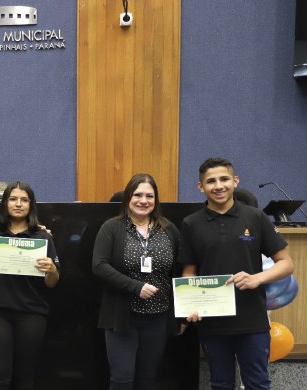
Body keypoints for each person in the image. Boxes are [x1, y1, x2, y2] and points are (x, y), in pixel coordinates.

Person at [179, 158, 294, 390]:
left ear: (235, 181)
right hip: (212, 323)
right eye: (210, 181)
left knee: (258, 384)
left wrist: (256, 279)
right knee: (220, 384)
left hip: (252, 320)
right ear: (201, 187)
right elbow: (189, 271)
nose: (218, 186)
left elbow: (286, 263)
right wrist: (187, 305)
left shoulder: (255, 217)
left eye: (224, 179)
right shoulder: (191, 223)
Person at [92, 173, 182, 389]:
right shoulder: (112, 228)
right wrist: (135, 287)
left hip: (158, 318)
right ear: (128, 198)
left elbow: (179, 272)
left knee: (147, 379)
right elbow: (99, 266)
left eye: (149, 196)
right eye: (137, 195)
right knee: (122, 378)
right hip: (122, 317)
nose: (143, 201)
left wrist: (181, 315)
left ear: (156, 199)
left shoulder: (169, 229)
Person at [0, 181, 59, 390]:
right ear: (5, 203)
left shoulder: (43, 237)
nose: (18, 204)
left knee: (25, 375)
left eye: (24, 200)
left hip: (32, 313)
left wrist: (52, 270)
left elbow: (52, 283)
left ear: (31, 205)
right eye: (13, 199)